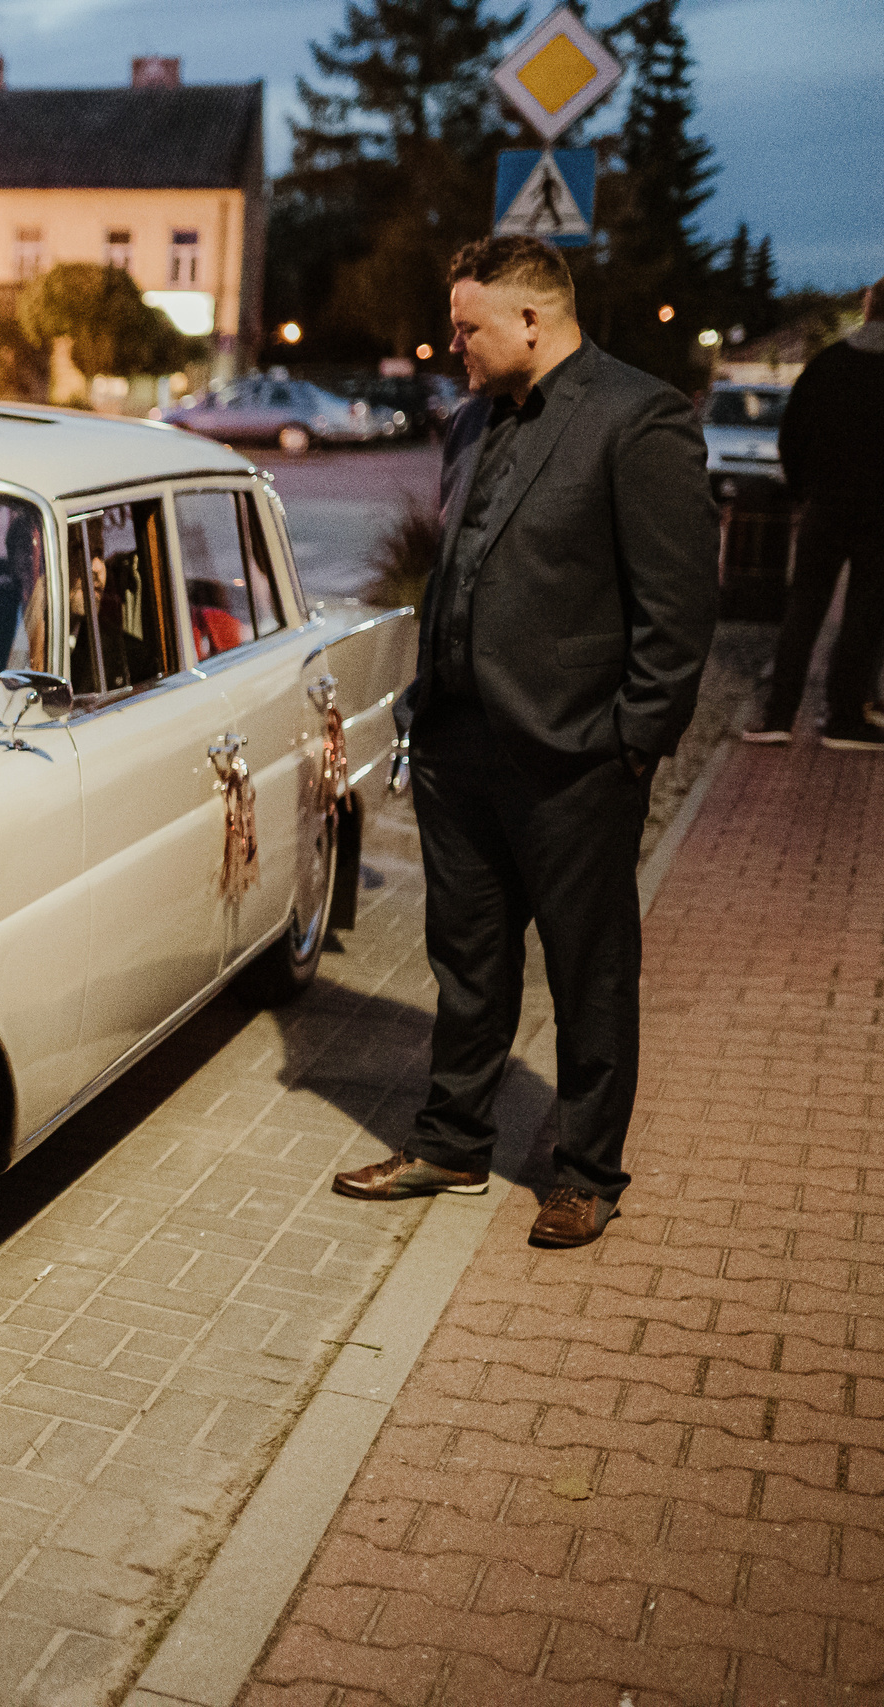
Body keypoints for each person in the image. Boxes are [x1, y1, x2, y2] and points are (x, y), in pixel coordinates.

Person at [332, 235, 719, 1249]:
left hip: (575, 758)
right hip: (461, 745)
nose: (451, 343)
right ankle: (453, 1142)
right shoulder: (468, 420)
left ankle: (585, 1171)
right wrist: (424, 706)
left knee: (588, 971)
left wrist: (630, 743)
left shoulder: (638, 419)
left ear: (531, 321)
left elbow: (676, 611)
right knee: (466, 958)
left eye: (467, 327)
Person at [744, 277, 884, 751]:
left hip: (826, 506)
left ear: (868, 309)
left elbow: (792, 433)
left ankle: (779, 715)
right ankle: (844, 718)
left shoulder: (828, 365)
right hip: (880, 516)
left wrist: (806, 491)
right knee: (865, 613)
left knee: (804, 608)